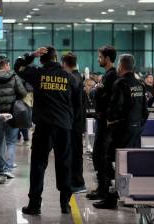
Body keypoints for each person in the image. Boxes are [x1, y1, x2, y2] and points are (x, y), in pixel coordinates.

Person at [15, 46, 80, 215]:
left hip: (44, 126)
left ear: (42, 60)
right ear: (57, 58)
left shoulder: (38, 74)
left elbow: (18, 67)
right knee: (64, 165)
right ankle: (65, 204)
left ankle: (35, 204)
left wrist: (31, 55)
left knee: (38, 165)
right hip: (64, 127)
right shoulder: (70, 77)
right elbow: (78, 105)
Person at [93, 54, 149, 209]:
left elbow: (115, 109)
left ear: (121, 66)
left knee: (111, 163)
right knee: (131, 165)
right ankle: (130, 196)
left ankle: (110, 199)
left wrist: (111, 123)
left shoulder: (120, 83)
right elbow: (145, 111)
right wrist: (137, 127)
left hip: (121, 131)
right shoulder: (140, 84)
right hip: (135, 131)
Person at [86, 45, 118, 201]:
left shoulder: (111, 75)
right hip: (103, 120)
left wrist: (95, 89)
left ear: (107, 58)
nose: (98, 59)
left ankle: (104, 190)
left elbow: (96, 94)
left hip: (105, 121)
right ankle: (102, 188)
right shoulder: (108, 75)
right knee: (99, 154)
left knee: (100, 155)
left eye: (100, 57)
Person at [0, 56, 27, 179]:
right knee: (11, 142)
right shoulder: (14, 76)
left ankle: (1, 168)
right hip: (12, 113)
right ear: (6, 65)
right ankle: (8, 168)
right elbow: (23, 93)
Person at [61, 52, 86, 194]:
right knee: (75, 153)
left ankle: (77, 183)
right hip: (77, 123)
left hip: (73, 124)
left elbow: (74, 105)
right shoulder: (77, 77)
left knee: (75, 154)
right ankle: (76, 181)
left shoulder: (72, 79)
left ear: (64, 64)